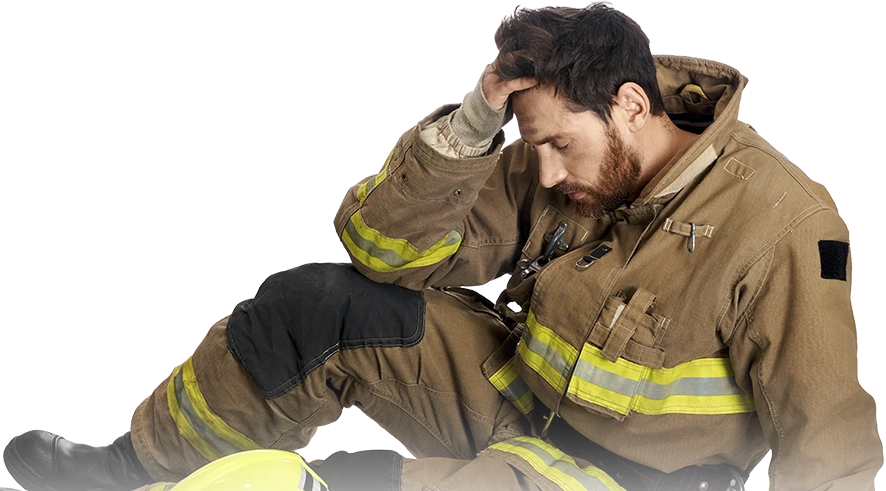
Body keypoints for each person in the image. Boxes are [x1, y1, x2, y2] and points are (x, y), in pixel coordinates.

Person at [3, 2, 882, 490]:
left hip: (606, 481)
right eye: (529, 142)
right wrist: (471, 127)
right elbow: (387, 253)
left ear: (629, 105)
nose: (543, 171)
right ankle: (129, 469)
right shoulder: (570, 163)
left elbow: (830, 450)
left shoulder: (783, 226)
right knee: (313, 308)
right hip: (516, 399)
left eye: (556, 143)